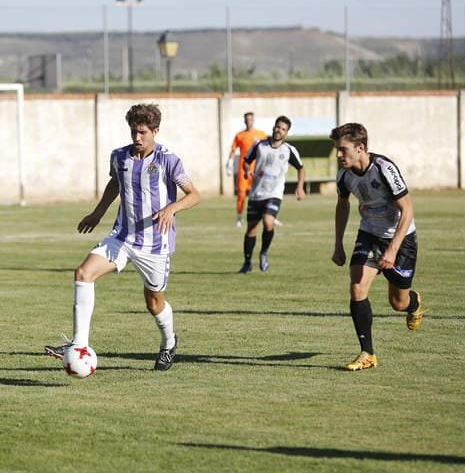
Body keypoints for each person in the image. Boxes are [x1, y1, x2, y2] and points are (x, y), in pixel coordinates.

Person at [44, 103, 201, 371]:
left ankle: (169, 342)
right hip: (122, 238)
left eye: (142, 132)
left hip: (155, 244)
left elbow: (194, 194)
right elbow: (115, 183)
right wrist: (97, 213)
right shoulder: (119, 157)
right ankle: (79, 344)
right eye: (133, 132)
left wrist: (171, 209)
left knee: (154, 303)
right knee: (83, 273)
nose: (137, 138)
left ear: (155, 130)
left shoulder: (168, 159)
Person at [330, 123, 423, 371]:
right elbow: (342, 206)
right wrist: (338, 244)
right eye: (337, 150)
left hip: (400, 239)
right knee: (357, 285)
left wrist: (392, 249)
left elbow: (408, 209)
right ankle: (367, 353)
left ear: (360, 148)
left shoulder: (384, 168)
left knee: (398, 302)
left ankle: (413, 304)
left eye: (343, 149)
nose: (338, 155)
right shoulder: (344, 175)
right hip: (369, 233)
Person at [238, 115, 305, 273]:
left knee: (268, 222)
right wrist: (247, 171)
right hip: (256, 193)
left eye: (283, 129)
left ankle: (264, 252)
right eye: (277, 127)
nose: (279, 130)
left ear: (286, 133)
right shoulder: (259, 145)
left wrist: (300, 187)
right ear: (274, 127)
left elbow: (301, 168)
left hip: (274, 193)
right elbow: (246, 161)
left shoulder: (288, 150)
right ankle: (247, 262)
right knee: (251, 229)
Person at [225, 112, 267, 227]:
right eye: (247, 119)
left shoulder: (261, 134)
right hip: (244, 169)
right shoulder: (239, 135)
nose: (249, 121)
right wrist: (229, 163)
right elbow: (233, 149)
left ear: (253, 120)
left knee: (263, 194)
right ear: (244, 121)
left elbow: (268, 148)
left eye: (251, 119)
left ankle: (268, 216)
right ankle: (239, 217)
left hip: (258, 169)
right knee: (242, 194)